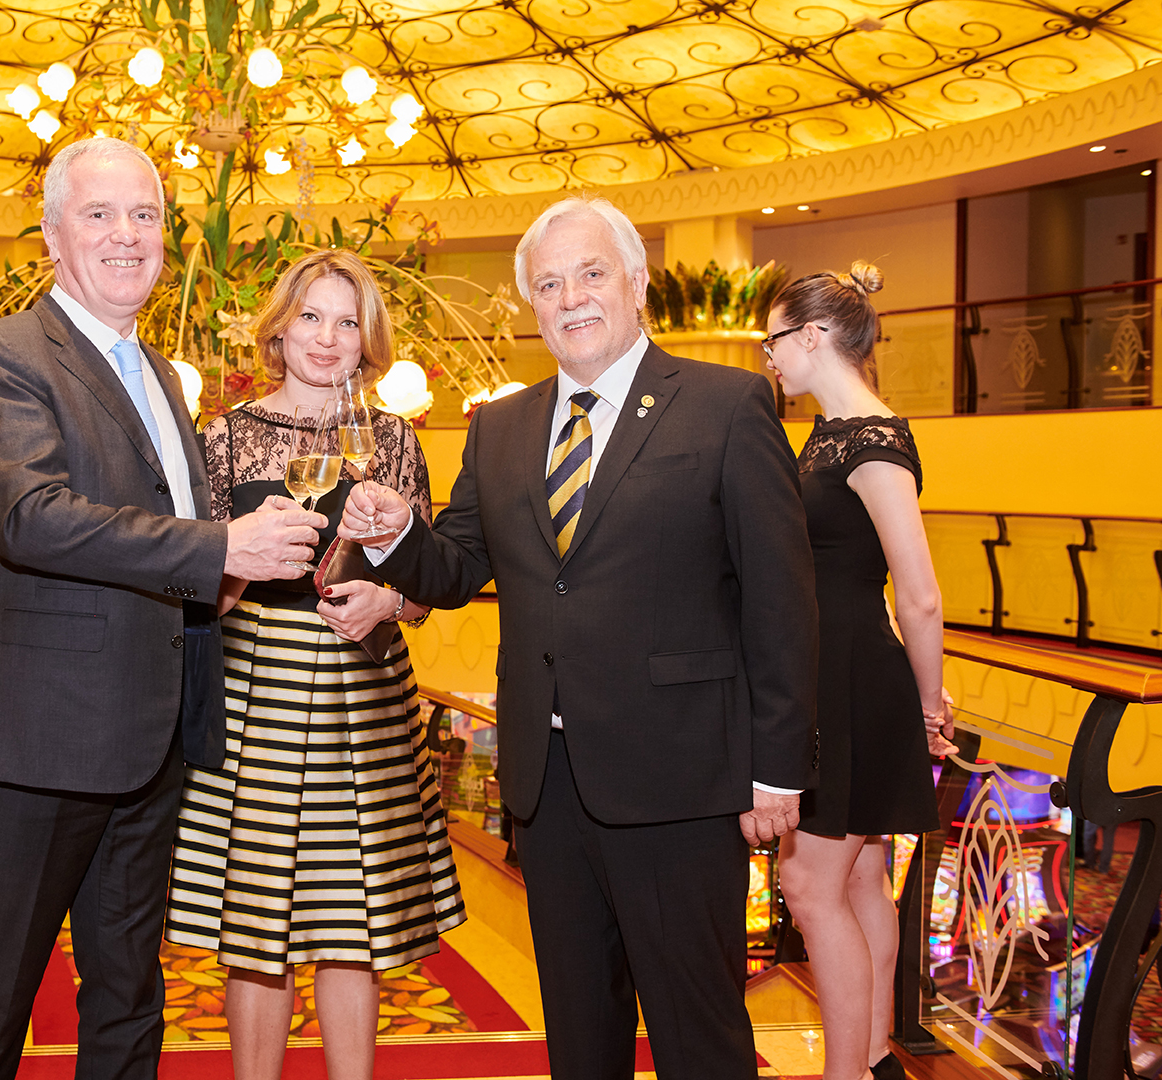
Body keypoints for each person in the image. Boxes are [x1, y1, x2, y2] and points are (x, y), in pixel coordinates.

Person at [340, 194, 819, 1080]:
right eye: (549, 283)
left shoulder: (726, 404)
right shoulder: (499, 426)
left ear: (635, 282)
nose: (571, 298)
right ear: (533, 303)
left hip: (682, 780)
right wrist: (395, 534)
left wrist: (778, 768)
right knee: (578, 1037)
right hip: (547, 785)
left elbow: (780, 599)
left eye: (591, 273)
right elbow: (455, 569)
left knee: (699, 1038)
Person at [0, 137, 325, 1080]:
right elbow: (31, 518)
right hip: (38, 743)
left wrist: (224, 578)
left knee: (128, 1002)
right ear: (52, 235)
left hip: (150, 738)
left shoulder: (159, 372)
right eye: (100, 214)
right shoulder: (1, 354)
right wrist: (217, 549)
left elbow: (166, 525)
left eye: (145, 216)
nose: (127, 235)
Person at [166, 249, 465, 1080]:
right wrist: (243, 565)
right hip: (252, 690)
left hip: (362, 690)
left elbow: (425, 587)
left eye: (346, 322)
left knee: (353, 918)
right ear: (279, 328)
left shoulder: (392, 439)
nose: (327, 338)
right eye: (310, 317)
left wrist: (387, 601)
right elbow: (194, 585)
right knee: (253, 921)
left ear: (367, 340)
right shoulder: (225, 437)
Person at [761, 262, 956, 1080]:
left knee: (809, 888)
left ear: (810, 336)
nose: (768, 357)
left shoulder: (874, 439)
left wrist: (927, 703)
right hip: (832, 670)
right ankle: (874, 1058)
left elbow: (918, 594)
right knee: (860, 879)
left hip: (850, 677)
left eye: (772, 340)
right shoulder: (829, 432)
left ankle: (847, 1072)